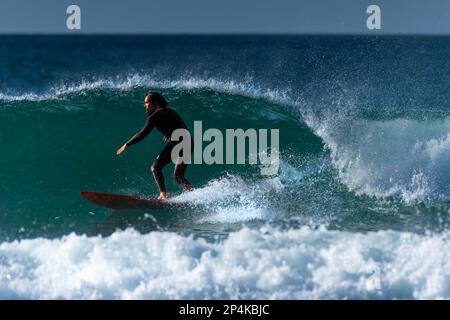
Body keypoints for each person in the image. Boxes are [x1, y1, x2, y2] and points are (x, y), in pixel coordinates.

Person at [116, 92, 193, 201]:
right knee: (178, 176)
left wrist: (126, 144)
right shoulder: (170, 111)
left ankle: (163, 195)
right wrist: (170, 133)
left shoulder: (155, 116)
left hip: (179, 142)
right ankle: (193, 194)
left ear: (154, 103)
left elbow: (142, 133)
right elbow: (182, 127)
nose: (145, 105)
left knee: (155, 168)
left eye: (147, 103)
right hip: (188, 142)